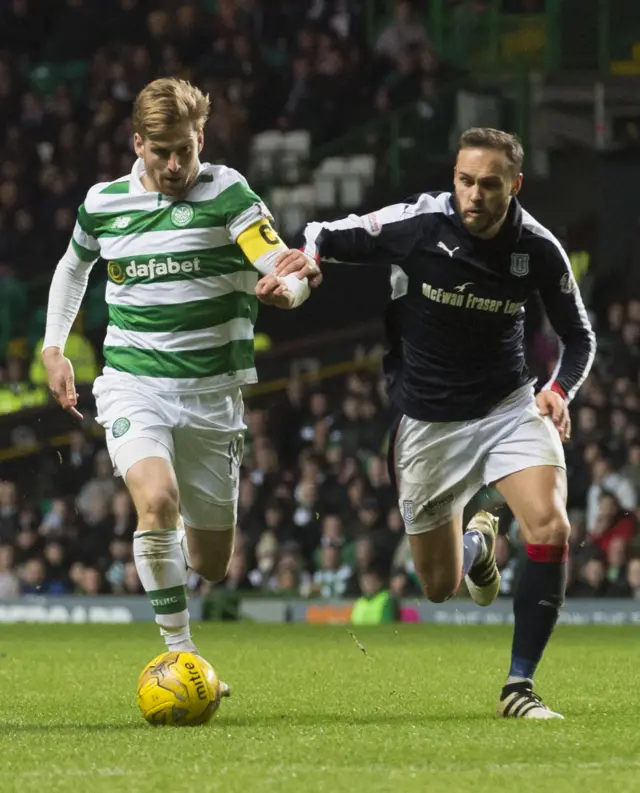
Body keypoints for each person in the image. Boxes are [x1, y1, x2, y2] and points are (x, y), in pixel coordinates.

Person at [263, 127, 596, 719]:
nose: (474, 194)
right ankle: (480, 543)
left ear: (514, 186)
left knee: (550, 528)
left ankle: (518, 688)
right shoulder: (417, 226)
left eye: (489, 184)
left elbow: (579, 337)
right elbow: (325, 233)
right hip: (428, 425)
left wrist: (558, 390)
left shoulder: (537, 249)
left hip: (508, 408)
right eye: (465, 181)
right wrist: (304, 265)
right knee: (439, 586)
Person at [40, 78, 318, 686]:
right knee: (155, 500)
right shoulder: (104, 202)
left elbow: (284, 266)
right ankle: (180, 654)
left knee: (213, 562)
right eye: (160, 151)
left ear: (201, 140)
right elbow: (72, 266)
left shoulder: (229, 194)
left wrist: (287, 288)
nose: (173, 164)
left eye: (185, 151)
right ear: (137, 143)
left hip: (213, 398)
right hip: (133, 384)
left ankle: (182, 570)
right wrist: (54, 347)